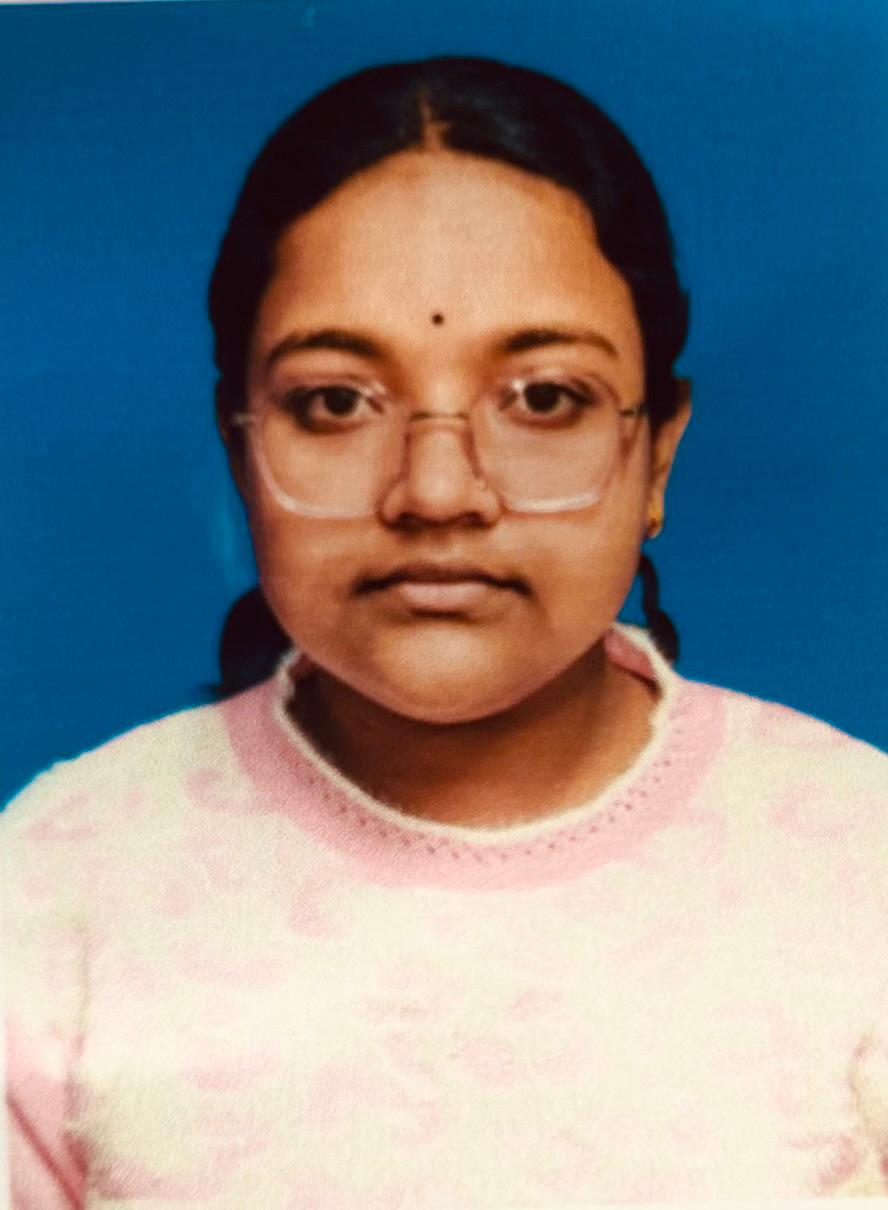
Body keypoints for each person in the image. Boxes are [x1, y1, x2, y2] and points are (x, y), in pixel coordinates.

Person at [3, 55, 887, 1207]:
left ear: (658, 451)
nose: (436, 490)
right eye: (335, 401)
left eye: (544, 398)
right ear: (240, 447)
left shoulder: (856, 860)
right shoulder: (58, 882)